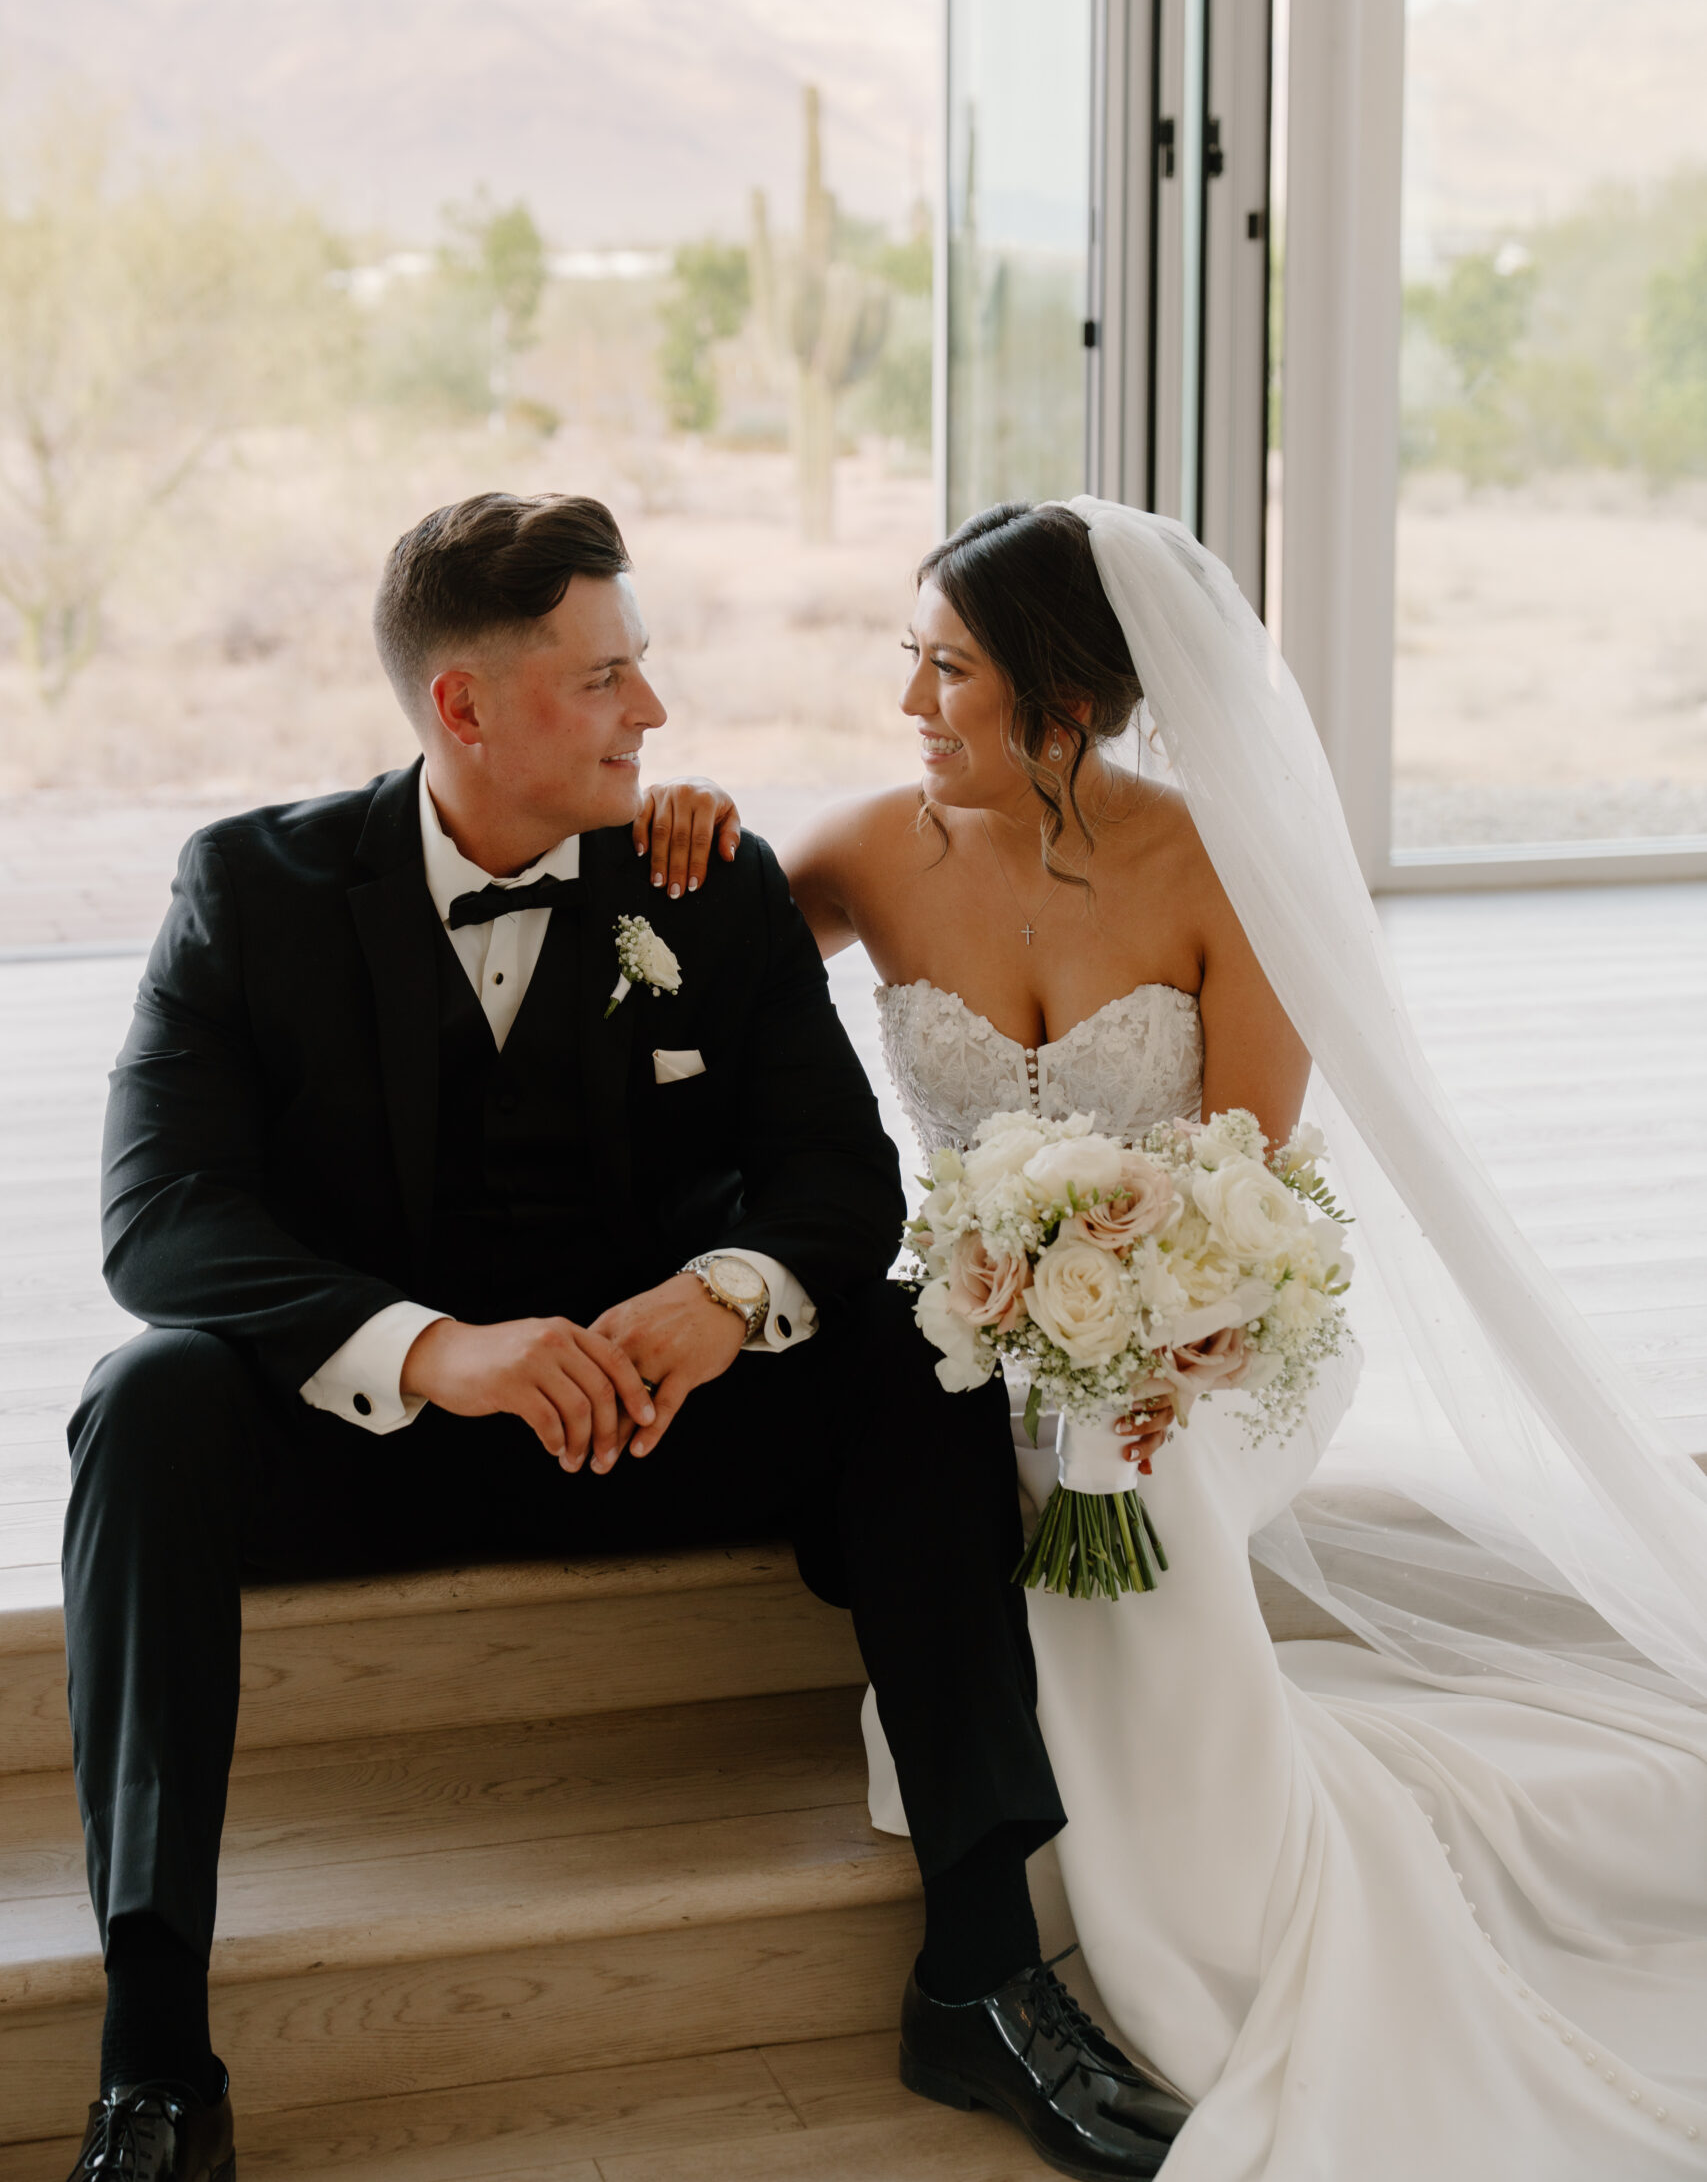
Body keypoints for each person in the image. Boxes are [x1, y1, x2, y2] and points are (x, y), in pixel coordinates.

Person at [63, 490, 1189, 2182]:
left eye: (643, 670)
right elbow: (160, 1219)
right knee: (143, 1403)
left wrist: (720, 1302)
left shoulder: (705, 878)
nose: (652, 711)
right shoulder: (252, 888)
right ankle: (155, 2060)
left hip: (672, 1428)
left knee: (908, 1353)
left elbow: (838, 1177)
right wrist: (437, 1350)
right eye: (605, 680)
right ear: (465, 706)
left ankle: (983, 1968)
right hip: (381, 1448)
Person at [646, 497, 1707, 2180]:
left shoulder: (1224, 867)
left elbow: (1250, 1188)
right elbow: (680, 973)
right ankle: (1138, 1927)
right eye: (910, 663)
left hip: (1220, 1331)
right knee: (1004, 1457)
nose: (911, 705)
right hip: (982, 1324)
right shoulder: (862, 848)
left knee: (1134, 1478)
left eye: (950, 672)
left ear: (1067, 704)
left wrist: (1163, 1344)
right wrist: (683, 825)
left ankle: (1206, 1943)